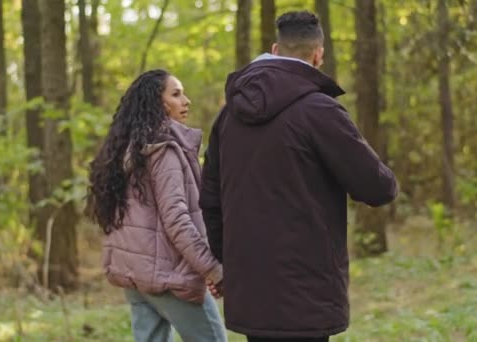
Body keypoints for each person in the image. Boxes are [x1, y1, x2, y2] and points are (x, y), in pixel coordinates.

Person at [200, 11, 397, 342]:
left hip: (250, 287)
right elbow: (378, 188)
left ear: (276, 50)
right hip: (306, 292)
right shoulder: (320, 111)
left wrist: (225, 266)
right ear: (319, 54)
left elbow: (210, 200)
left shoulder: (228, 116)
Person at [86, 69, 227, 342]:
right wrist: (212, 269)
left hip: (136, 277)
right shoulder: (163, 151)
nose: (186, 101)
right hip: (170, 278)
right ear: (159, 103)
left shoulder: (126, 150)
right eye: (176, 94)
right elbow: (177, 221)